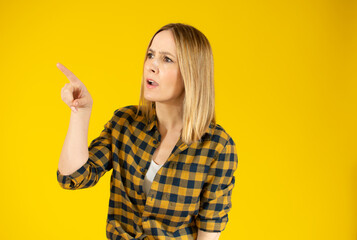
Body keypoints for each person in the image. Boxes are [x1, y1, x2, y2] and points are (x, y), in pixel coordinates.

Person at [56, 23, 238, 240]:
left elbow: (209, 232)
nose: (152, 65)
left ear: (193, 72)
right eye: (150, 55)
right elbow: (73, 177)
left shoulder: (217, 146)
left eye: (167, 59)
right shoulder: (125, 123)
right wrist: (81, 111)